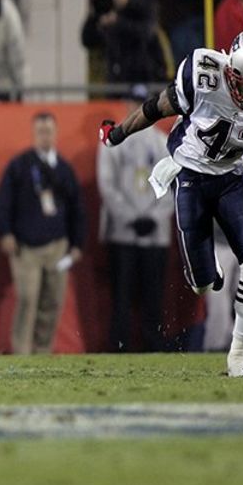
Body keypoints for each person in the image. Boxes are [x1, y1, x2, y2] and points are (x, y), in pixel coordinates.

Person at [99, 28, 243, 376]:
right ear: (230, 68)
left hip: (231, 176)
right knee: (202, 283)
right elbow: (157, 107)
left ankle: (240, 356)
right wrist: (119, 132)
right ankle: (201, 272)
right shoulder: (204, 73)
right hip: (191, 176)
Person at [0, 112, 85, 354]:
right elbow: (3, 202)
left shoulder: (64, 169)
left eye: (49, 131)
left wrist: (77, 244)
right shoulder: (20, 166)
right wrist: (6, 233)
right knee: (27, 299)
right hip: (26, 248)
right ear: (34, 134)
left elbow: (77, 207)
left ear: (55, 134)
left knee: (53, 301)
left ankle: (42, 352)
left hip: (57, 246)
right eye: (41, 131)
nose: (45, 136)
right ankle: (21, 353)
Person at [96, 86, 172, 352]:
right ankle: (120, 345)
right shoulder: (113, 140)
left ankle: (153, 345)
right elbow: (107, 186)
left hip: (154, 234)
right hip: (123, 233)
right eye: (130, 101)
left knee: (153, 296)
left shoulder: (162, 142)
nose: (134, 106)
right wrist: (131, 218)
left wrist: (153, 216)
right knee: (122, 296)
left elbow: (173, 185)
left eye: (140, 102)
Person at [80, 0, 166, 92]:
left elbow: (146, 33)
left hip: (145, 81)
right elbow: (87, 40)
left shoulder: (143, 6)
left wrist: (118, 22)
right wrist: (93, 15)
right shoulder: (106, 12)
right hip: (117, 82)